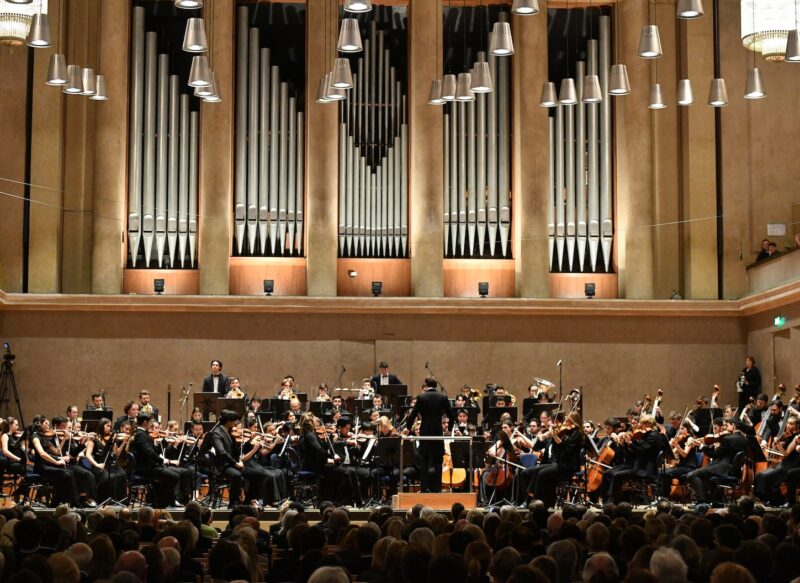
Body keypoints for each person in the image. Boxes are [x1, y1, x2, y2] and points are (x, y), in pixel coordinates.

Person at [407, 377, 454, 493]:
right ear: (436, 385)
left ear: (426, 385)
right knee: (438, 460)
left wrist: (408, 427)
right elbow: (451, 414)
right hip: (438, 432)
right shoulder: (442, 397)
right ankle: (437, 489)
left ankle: (424, 489)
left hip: (425, 432)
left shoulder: (422, 397)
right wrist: (450, 428)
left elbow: (413, 414)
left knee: (424, 460)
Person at [687, 417, 748, 503]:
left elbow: (714, 454)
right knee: (706, 477)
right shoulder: (745, 439)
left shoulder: (728, 439)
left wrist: (701, 446)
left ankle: (703, 500)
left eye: (727, 425)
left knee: (692, 475)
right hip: (735, 471)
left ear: (733, 426)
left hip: (723, 468)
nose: (726, 428)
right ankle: (716, 500)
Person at [128, 413, 183, 507]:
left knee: (178, 473)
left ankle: (160, 500)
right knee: (174, 476)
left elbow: (156, 451)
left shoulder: (144, 434)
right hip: (146, 469)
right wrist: (162, 461)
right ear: (145, 422)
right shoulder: (140, 435)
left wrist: (165, 440)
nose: (151, 425)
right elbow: (149, 453)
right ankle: (161, 502)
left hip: (151, 466)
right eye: (150, 423)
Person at [205, 410, 250, 509]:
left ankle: (248, 500)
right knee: (237, 475)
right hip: (221, 467)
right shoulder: (216, 433)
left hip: (229, 464)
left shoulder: (228, 432)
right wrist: (235, 463)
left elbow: (234, 451)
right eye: (234, 421)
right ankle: (233, 503)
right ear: (228, 421)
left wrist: (244, 444)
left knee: (252, 472)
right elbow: (222, 452)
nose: (235, 423)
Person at [754, 415, 800, 505]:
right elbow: (776, 447)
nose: (788, 425)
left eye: (791, 424)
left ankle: (776, 500)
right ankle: (766, 498)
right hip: (783, 464)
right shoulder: (788, 434)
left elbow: (786, 453)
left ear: (797, 426)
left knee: (767, 477)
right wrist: (776, 443)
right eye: (787, 423)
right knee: (760, 475)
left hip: (790, 465)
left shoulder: (797, 437)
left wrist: (778, 443)